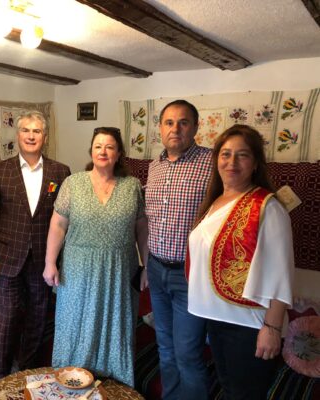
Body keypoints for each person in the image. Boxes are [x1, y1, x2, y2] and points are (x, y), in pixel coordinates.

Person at [187, 125, 294, 399]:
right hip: (215, 319)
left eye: (242, 155)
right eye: (225, 154)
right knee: (229, 389)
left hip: (249, 324)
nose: (231, 162)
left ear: (255, 163)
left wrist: (272, 328)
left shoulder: (267, 207)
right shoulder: (215, 201)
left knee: (246, 394)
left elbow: (281, 273)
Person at [43, 127, 146, 387]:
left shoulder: (132, 186)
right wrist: (50, 262)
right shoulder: (73, 183)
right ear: (91, 150)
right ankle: (70, 379)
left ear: (119, 153)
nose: (103, 151)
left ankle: (115, 383)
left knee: (115, 322)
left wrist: (146, 265)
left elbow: (141, 228)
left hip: (119, 268)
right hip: (78, 267)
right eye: (98, 146)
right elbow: (58, 225)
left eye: (110, 147)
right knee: (75, 322)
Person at [0, 111, 70, 379]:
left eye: (37, 131)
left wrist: (59, 260)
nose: (31, 136)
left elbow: (66, 219)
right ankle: (1, 375)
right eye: (26, 130)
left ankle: (27, 370)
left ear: (45, 136)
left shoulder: (60, 172)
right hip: (8, 257)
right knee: (7, 315)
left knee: (38, 315)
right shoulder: (0, 171)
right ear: (18, 135)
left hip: (44, 258)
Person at [143, 100, 211, 399]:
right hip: (157, 269)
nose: (175, 128)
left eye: (183, 122)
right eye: (169, 122)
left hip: (190, 275)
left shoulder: (212, 163)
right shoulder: (154, 167)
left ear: (195, 127)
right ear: (160, 128)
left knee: (187, 354)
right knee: (165, 349)